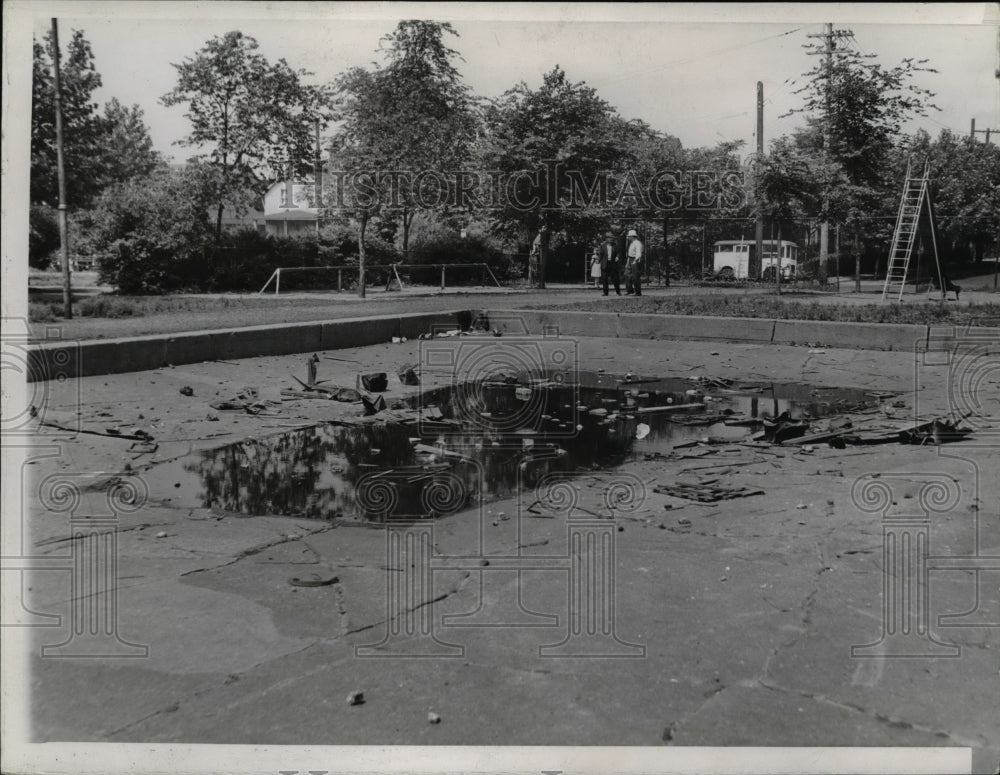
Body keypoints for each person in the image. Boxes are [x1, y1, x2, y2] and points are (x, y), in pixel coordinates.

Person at [599, 231, 621, 296]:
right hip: (605, 263)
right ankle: (605, 293)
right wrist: (598, 260)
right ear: (606, 239)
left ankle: (618, 292)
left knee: (615, 278)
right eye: (610, 238)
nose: (611, 239)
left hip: (613, 263)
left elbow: (618, 253)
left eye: (612, 238)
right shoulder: (602, 245)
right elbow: (601, 254)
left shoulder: (615, 245)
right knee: (604, 279)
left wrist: (617, 257)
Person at [624, 228, 644, 296]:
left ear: (632, 236)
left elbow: (638, 253)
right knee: (627, 274)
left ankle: (638, 292)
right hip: (630, 259)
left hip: (636, 260)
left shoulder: (637, 243)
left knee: (635, 276)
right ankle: (630, 290)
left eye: (629, 236)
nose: (628, 238)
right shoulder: (632, 243)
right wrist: (628, 262)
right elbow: (630, 254)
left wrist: (635, 261)